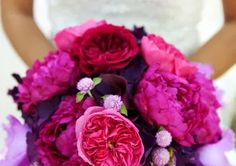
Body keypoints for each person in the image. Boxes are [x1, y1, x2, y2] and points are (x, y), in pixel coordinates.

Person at [1, 0, 236, 79]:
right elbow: (16, 11)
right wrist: (64, 88)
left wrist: (179, 91)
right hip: (69, 109)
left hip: (180, 111)